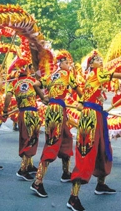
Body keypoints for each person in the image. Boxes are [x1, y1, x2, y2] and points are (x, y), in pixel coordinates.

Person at [66, 50, 121, 211]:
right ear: (91, 64)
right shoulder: (97, 73)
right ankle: (73, 198)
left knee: (104, 150)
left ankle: (101, 184)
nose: (100, 60)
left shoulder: (92, 79)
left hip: (97, 116)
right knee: (86, 153)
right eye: (96, 59)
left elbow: (83, 101)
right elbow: (118, 75)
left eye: (100, 58)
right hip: (91, 118)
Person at [30, 50, 83, 198]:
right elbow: (79, 92)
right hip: (57, 112)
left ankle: (66, 173)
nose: (69, 65)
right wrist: (85, 103)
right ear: (61, 63)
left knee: (67, 138)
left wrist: (44, 98)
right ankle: (37, 182)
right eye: (67, 62)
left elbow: (35, 84)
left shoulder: (52, 76)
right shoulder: (67, 75)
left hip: (54, 110)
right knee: (52, 145)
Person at [1, 59, 49, 181]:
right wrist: (46, 98)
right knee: (31, 140)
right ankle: (22, 169)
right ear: (27, 69)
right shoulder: (33, 81)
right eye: (30, 67)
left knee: (24, 139)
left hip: (22, 114)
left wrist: (5, 111)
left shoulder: (13, 83)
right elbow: (42, 96)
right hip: (32, 113)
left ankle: (29, 165)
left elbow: (7, 96)